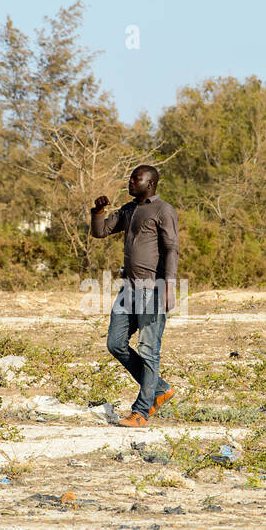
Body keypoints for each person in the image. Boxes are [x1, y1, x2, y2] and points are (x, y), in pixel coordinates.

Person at [90, 164, 179, 428]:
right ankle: (160, 389)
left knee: (149, 350)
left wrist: (169, 286)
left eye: (135, 179)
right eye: (130, 178)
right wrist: (97, 212)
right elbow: (100, 231)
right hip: (128, 289)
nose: (130, 182)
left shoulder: (163, 210)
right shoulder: (129, 209)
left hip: (153, 289)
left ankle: (141, 412)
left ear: (150, 183)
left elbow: (172, 249)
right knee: (115, 344)